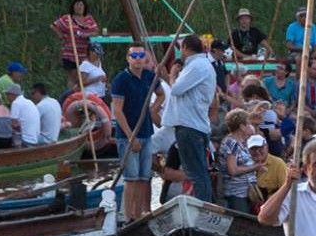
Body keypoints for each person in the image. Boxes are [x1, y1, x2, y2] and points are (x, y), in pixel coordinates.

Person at [110, 45, 163, 222]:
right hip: (127, 135)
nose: (138, 59)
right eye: (134, 55)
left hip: (146, 132)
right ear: (128, 58)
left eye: (141, 55)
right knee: (131, 177)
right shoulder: (121, 79)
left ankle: (139, 214)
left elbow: (161, 94)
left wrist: (151, 109)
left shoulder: (149, 76)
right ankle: (128, 215)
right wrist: (130, 136)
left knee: (143, 176)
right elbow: (117, 111)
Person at [166, 35, 218, 202]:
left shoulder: (197, 65)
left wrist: (172, 75)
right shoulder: (202, 65)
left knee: (196, 173)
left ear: (186, 48)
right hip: (195, 124)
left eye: (180, 48)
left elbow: (176, 89)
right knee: (200, 172)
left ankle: (203, 208)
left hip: (190, 126)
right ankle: (205, 205)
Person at [217, 109, 263, 212]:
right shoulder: (231, 143)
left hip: (248, 191)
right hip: (236, 193)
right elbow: (232, 170)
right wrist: (254, 167)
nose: (250, 126)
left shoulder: (243, 142)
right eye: (248, 124)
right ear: (242, 126)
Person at [52, 0, 102, 77]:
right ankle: (73, 89)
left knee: (83, 77)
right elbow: (54, 26)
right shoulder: (67, 18)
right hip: (70, 53)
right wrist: (61, 36)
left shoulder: (89, 19)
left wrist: (87, 34)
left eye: (81, 5)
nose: (79, 7)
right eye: (77, 5)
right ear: (73, 7)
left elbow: (96, 32)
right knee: (73, 78)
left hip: (84, 53)